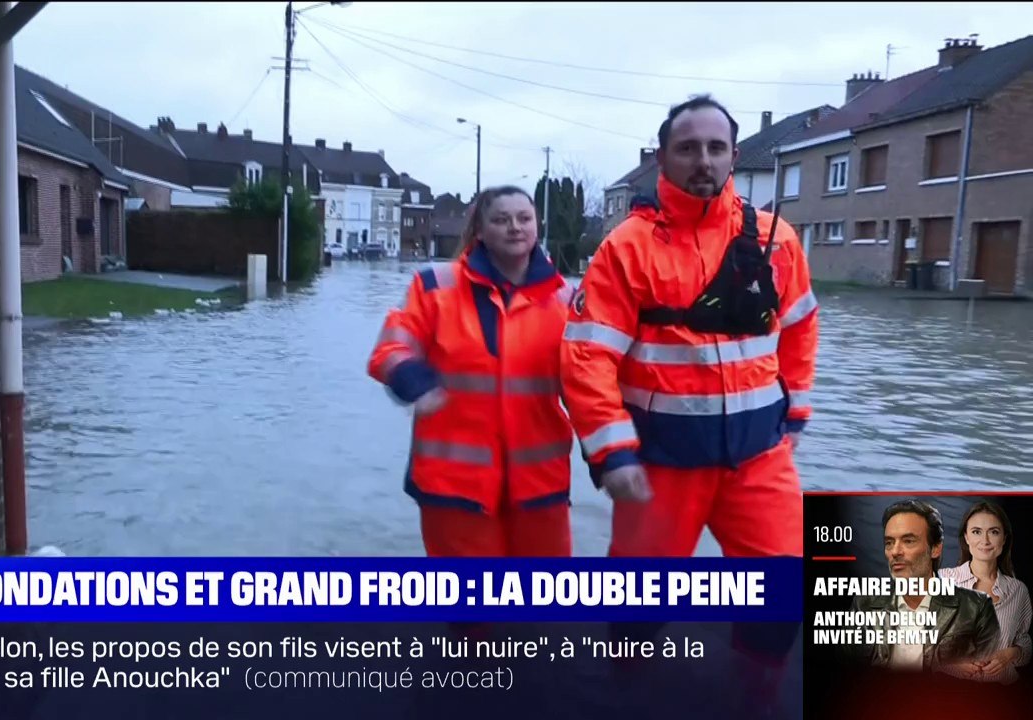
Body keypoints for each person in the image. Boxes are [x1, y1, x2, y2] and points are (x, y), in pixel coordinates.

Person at [559, 94, 818, 708]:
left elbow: (802, 325)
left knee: (780, 597)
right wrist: (612, 452)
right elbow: (586, 358)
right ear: (661, 159)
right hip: (658, 466)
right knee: (637, 611)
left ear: (732, 154)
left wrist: (797, 412)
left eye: (716, 147)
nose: (703, 160)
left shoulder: (778, 239)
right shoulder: (627, 248)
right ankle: (627, 696)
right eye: (688, 148)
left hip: (759, 458)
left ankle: (754, 699)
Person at [368, 185, 576, 558]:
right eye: (501, 220)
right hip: (453, 488)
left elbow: (590, 380)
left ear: (537, 226)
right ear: (479, 231)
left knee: (545, 605)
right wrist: (416, 382)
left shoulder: (564, 299)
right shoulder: (434, 286)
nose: (515, 227)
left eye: (524, 218)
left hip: (540, 487)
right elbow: (390, 348)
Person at [849, 500, 1002, 673]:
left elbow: (989, 683)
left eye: (908, 541)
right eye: (889, 542)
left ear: (935, 549)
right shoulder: (864, 605)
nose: (895, 551)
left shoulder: (977, 608)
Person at [937, 501, 1031, 684]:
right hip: (952, 697)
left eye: (994, 532)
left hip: (1004, 697)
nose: (985, 541)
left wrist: (1010, 654)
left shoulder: (1018, 590)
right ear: (966, 537)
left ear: (1004, 538)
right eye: (976, 531)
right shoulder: (942, 581)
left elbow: (1025, 644)